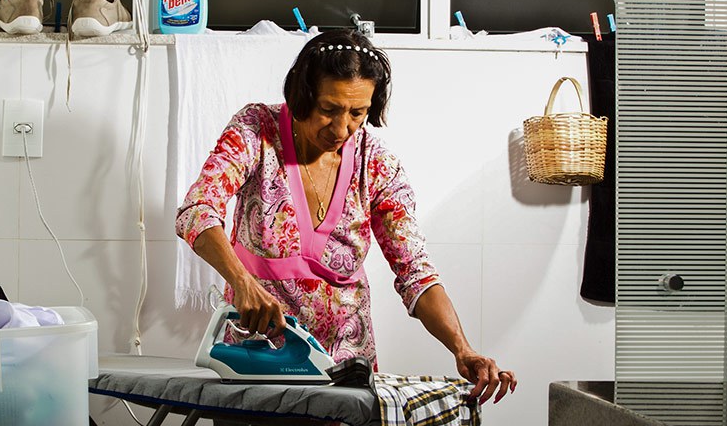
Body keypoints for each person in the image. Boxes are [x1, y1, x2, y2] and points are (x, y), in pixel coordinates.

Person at [176, 28, 517, 401]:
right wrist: (242, 282)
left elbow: (415, 272)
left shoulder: (377, 165)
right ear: (302, 95)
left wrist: (462, 349)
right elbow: (197, 210)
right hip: (255, 356)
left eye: (358, 113)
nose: (341, 129)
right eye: (329, 110)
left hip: (345, 368)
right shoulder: (256, 131)